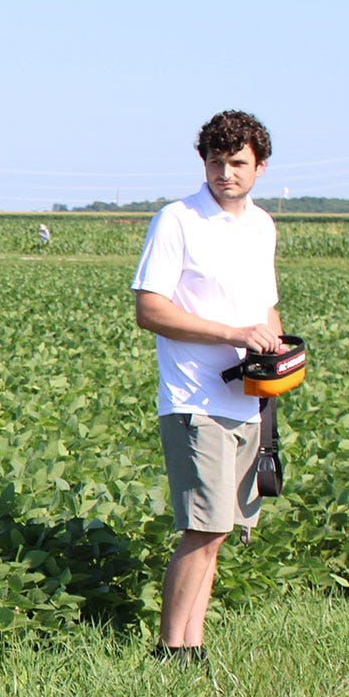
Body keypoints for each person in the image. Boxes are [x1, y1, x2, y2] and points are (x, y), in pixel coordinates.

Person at [130, 110, 283, 663]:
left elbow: (266, 305)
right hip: (194, 399)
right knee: (202, 528)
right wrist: (231, 333)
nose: (225, 173)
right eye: (216, 162)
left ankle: (192, 647)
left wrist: (277, 356)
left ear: (259, 166)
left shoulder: (261, 225)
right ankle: (172, 651)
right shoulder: (178, 220)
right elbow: (149, 310)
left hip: (247, 401)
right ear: (205, 162)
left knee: (220, 532)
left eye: (237, 162)